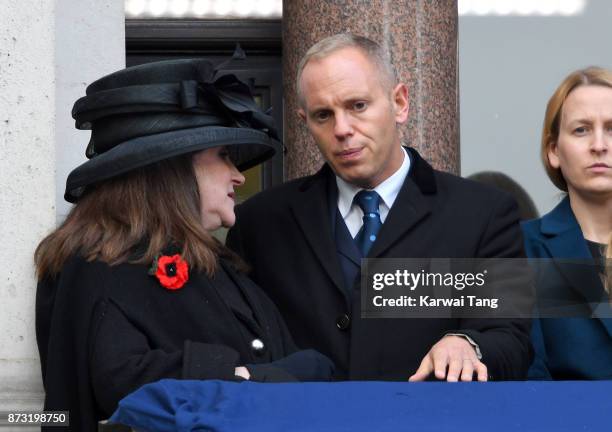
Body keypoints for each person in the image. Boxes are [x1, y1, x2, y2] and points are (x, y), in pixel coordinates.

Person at [35, 58, 334, 431]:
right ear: (173, 169)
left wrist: (253, 376)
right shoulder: (96, 265)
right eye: (224, 156)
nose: (239, 176)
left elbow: (309, 367)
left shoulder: (221, 267)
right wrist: (240, 374)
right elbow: (119, 386)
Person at [227, 34, 533, 382]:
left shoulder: (483, 214)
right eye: (323, 115)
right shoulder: (260, 223)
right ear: (304, 121)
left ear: (400, 102)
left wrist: (469, 344)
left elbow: (512, 342)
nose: (342, 129)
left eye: (357, 105)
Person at [522, 67, 612, 380]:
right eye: (581, 130)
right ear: (554, 152)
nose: (599, 145)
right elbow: (530, 374)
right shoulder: (522, 248)